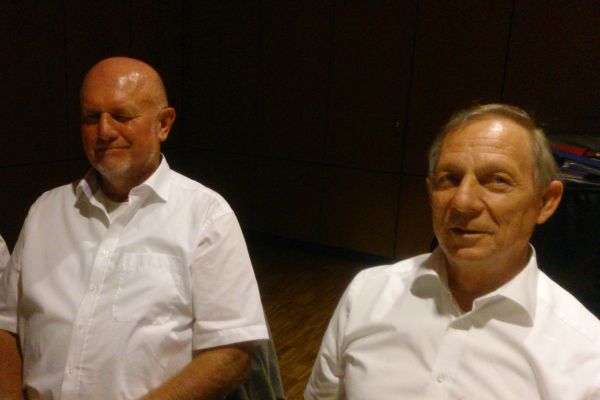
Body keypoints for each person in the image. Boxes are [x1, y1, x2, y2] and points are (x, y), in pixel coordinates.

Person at [0, 57, 270, 399]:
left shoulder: (207, 216)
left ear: (164, 124)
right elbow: (7, 326)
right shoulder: (45, 211)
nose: (104, 131)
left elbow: (231, 355)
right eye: (91, 117)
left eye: (122, 116)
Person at [305, 104, 600, 399]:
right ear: (430, 193)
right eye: (450, 179)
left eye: (497, 180)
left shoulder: (587, 355)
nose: (463, 202)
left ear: (546, 201)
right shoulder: (367, 293)